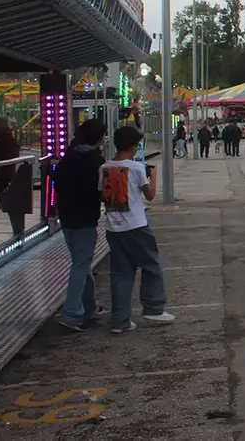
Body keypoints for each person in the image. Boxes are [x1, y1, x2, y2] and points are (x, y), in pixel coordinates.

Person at [100, 125, 175, 334]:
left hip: (114, 228)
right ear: (134, 146)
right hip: (136, 225)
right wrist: (154, 174)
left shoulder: (104, 167)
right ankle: (153, 307)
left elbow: (104, 195)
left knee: (121, 274)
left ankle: (120, 320)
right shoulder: (135, 168)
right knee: (152, 266)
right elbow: (150, 195)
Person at [54, 119, 107, 332]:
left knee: (81, 262)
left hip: (67, 217)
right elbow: (101, 190)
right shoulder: (96, 161)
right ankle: (72, 313)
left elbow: (56, 182)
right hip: (86, 218)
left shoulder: (69, 157)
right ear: (99, 138)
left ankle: (89, 306)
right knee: (80, 264)